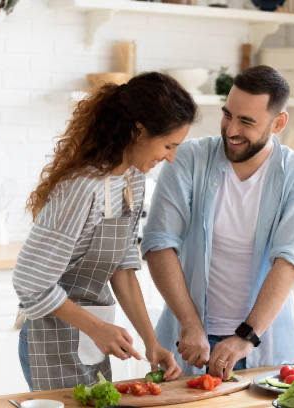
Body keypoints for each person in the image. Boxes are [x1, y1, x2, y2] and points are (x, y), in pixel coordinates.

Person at [12, 72, 197, 391]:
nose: (170, 157)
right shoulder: (82, 188)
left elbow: (122, 268)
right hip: (51, 341)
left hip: (91, 342)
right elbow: (30, 281)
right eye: (168, 145)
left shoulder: (132, 180)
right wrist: (97, 328)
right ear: (138, 130)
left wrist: (151, 342)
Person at [142, 65, 294, 379]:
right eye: (228, 115)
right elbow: (159, 244)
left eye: (247, 121)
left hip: (262, 346)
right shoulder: (187, 159)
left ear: (279, 123)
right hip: (187, 343)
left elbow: (289, 260)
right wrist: (190, 323)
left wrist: (246, 336)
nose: (231, 129)